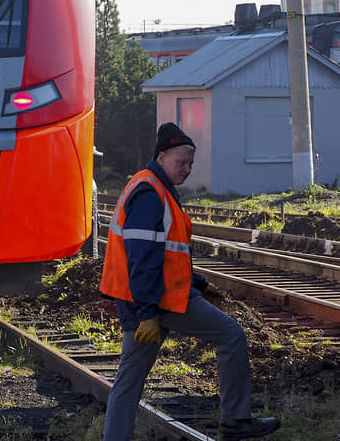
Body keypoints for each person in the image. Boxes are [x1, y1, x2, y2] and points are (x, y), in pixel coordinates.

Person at [99, 122, 280, 441]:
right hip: (155, 301)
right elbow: (142, 259)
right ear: (161, 156)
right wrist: (148, 314)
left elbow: (168, 253)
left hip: (152, 297)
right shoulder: (149, 194)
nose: (186, 169)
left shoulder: (156, 187)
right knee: (231, 335)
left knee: (129, 380)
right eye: (181, 162)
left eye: (191, 164)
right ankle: (236, 422)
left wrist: (197, 284)